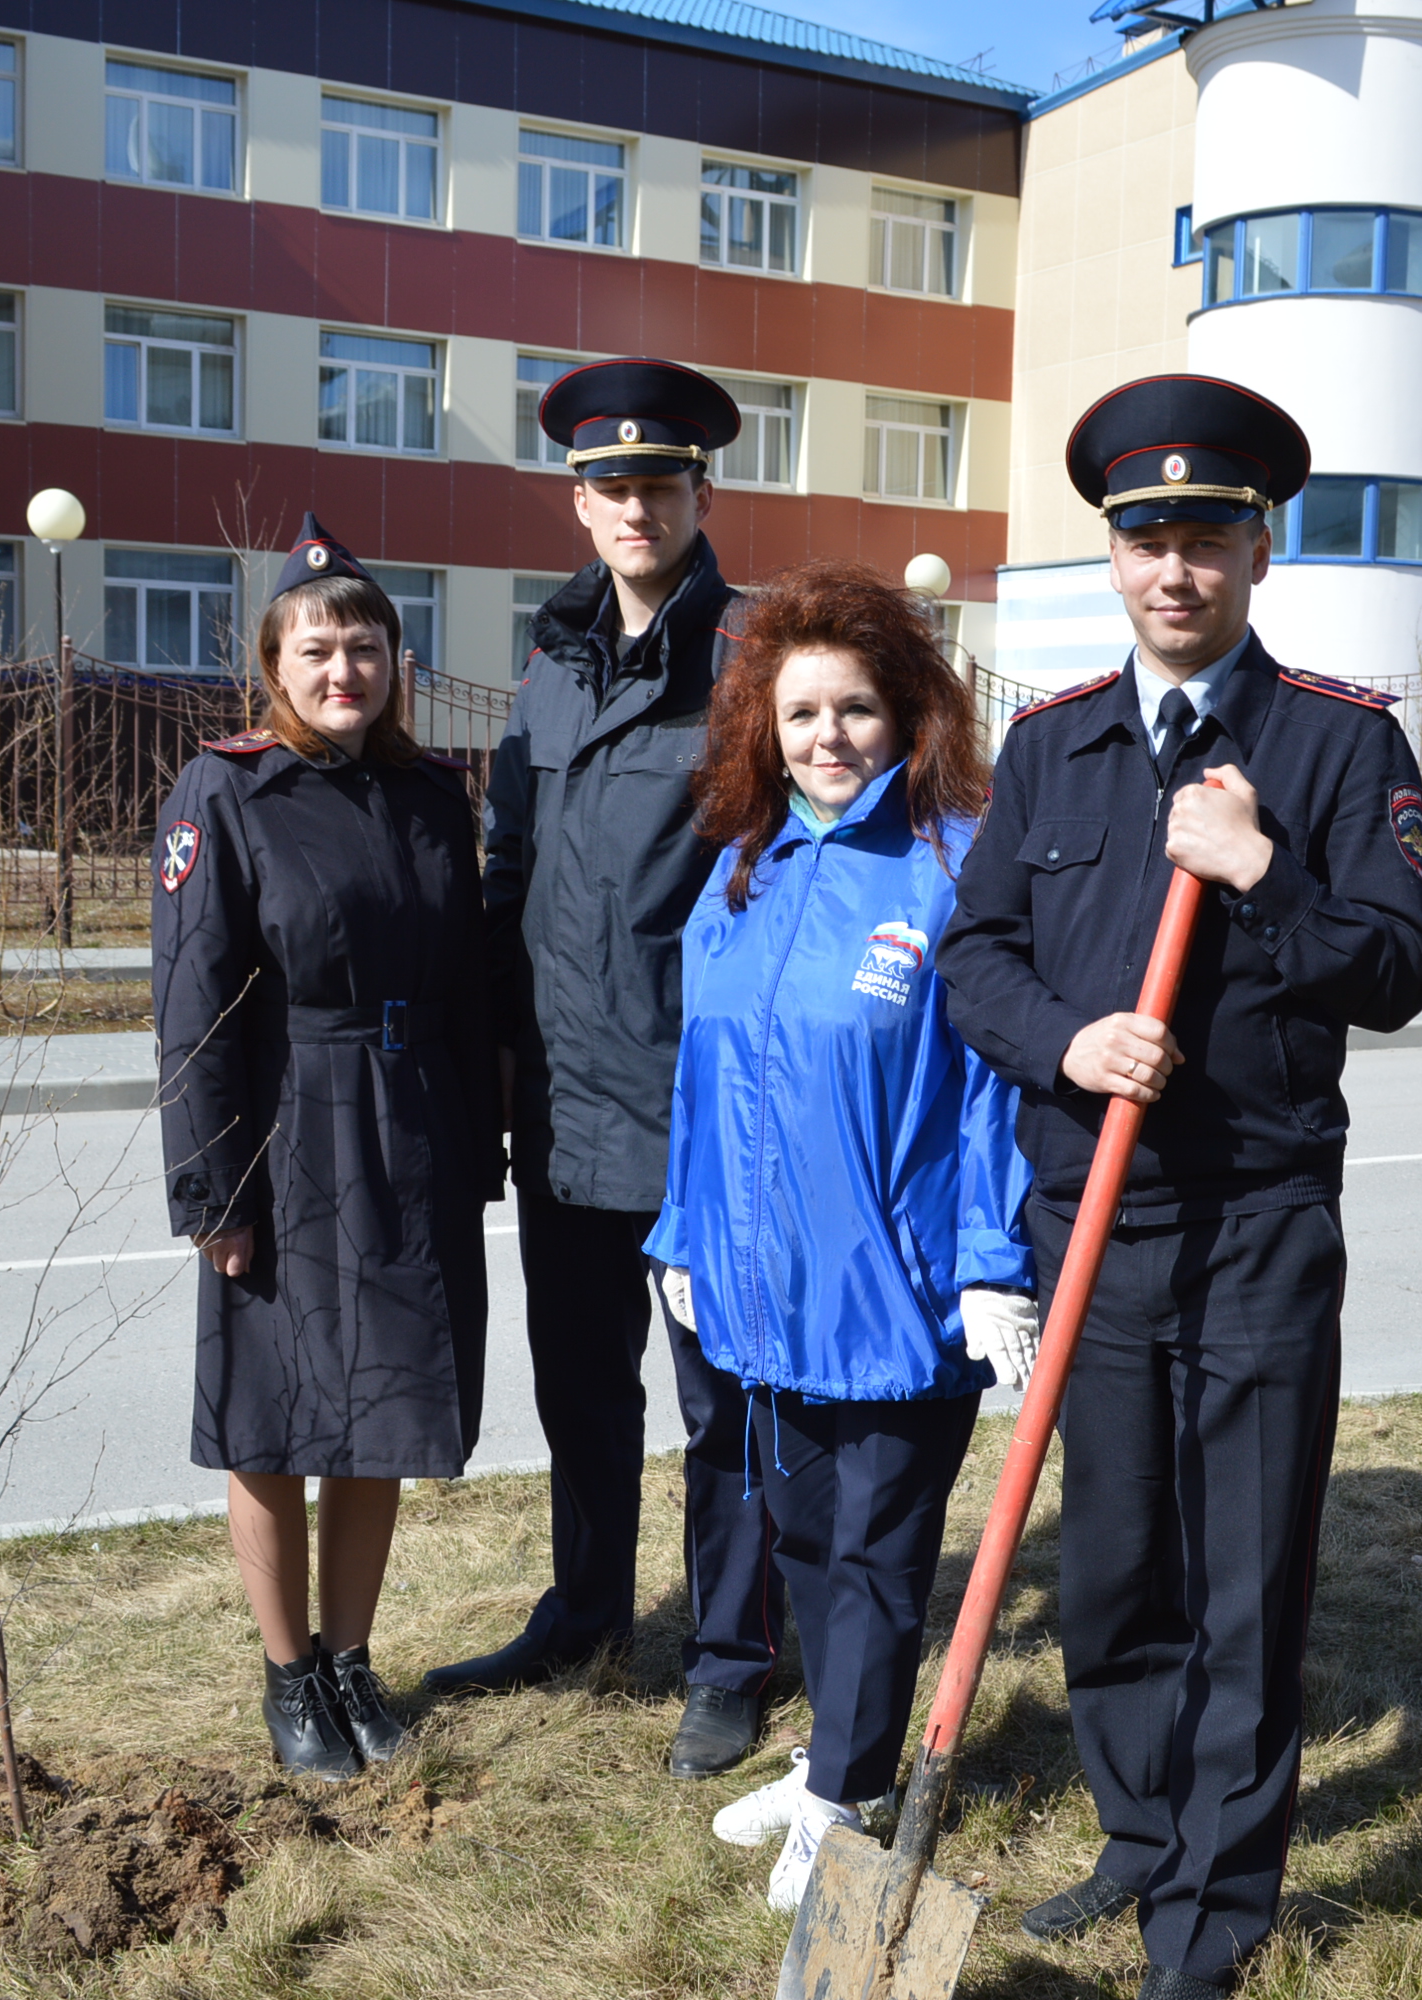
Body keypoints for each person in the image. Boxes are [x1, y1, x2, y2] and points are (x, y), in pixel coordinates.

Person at [935, 377, 1422, 1999]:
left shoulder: (1334, 744)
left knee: (1241, 1576)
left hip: (1259, 1223)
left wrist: (1263, 875)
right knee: (1109, 1569)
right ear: (1112, 555)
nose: (1174, 568)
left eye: (1205, 536)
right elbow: (976, 960)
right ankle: (1139, 1837)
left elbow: (1393, 969)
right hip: (1094, 1219)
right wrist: (1069, 1047)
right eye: (1145, 537)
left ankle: (1209, 1915)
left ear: (1258, 547)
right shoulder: (1052, 748)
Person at [638, 560, 1039, 1914]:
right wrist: (684, 1232)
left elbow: (993, 1087)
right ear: (766, 725)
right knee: (801, 1538)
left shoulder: (950, 866)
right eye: (801, 713)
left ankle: (850, 1795)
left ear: (910, 712)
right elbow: (702, 1075)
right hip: (762, 1287)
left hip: (897, 1289)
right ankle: (833, 1755)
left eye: (856, 709)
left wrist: (993, 1261)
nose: (827, 739)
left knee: (873, 1552)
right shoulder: (744, 870)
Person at [430, 357, 787, 1783]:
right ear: (578, 504)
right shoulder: (555, 659)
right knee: (582, 1389)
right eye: (608, 484)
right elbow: (513, 868)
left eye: (659, 480)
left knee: (725, 1406)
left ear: (702, 491)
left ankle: (731, 1652)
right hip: (564, 1104)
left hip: (702, 1111)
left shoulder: (758, 654)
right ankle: (585, 1612)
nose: (634, 504)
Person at [152, 515, 501, 1781]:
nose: (343, 666)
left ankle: (353, 1661)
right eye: (317, 645)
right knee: (275, 1416)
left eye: (365, 643)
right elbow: (192, 1008)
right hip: (284, 1130)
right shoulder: (227, 791)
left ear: (393, 661)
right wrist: (213, 1190)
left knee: (381, 1412)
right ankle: (288, 1672)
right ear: (273, 663)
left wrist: (477, 1145)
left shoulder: (425, 797)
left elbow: (466, 986)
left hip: (411, 1130)